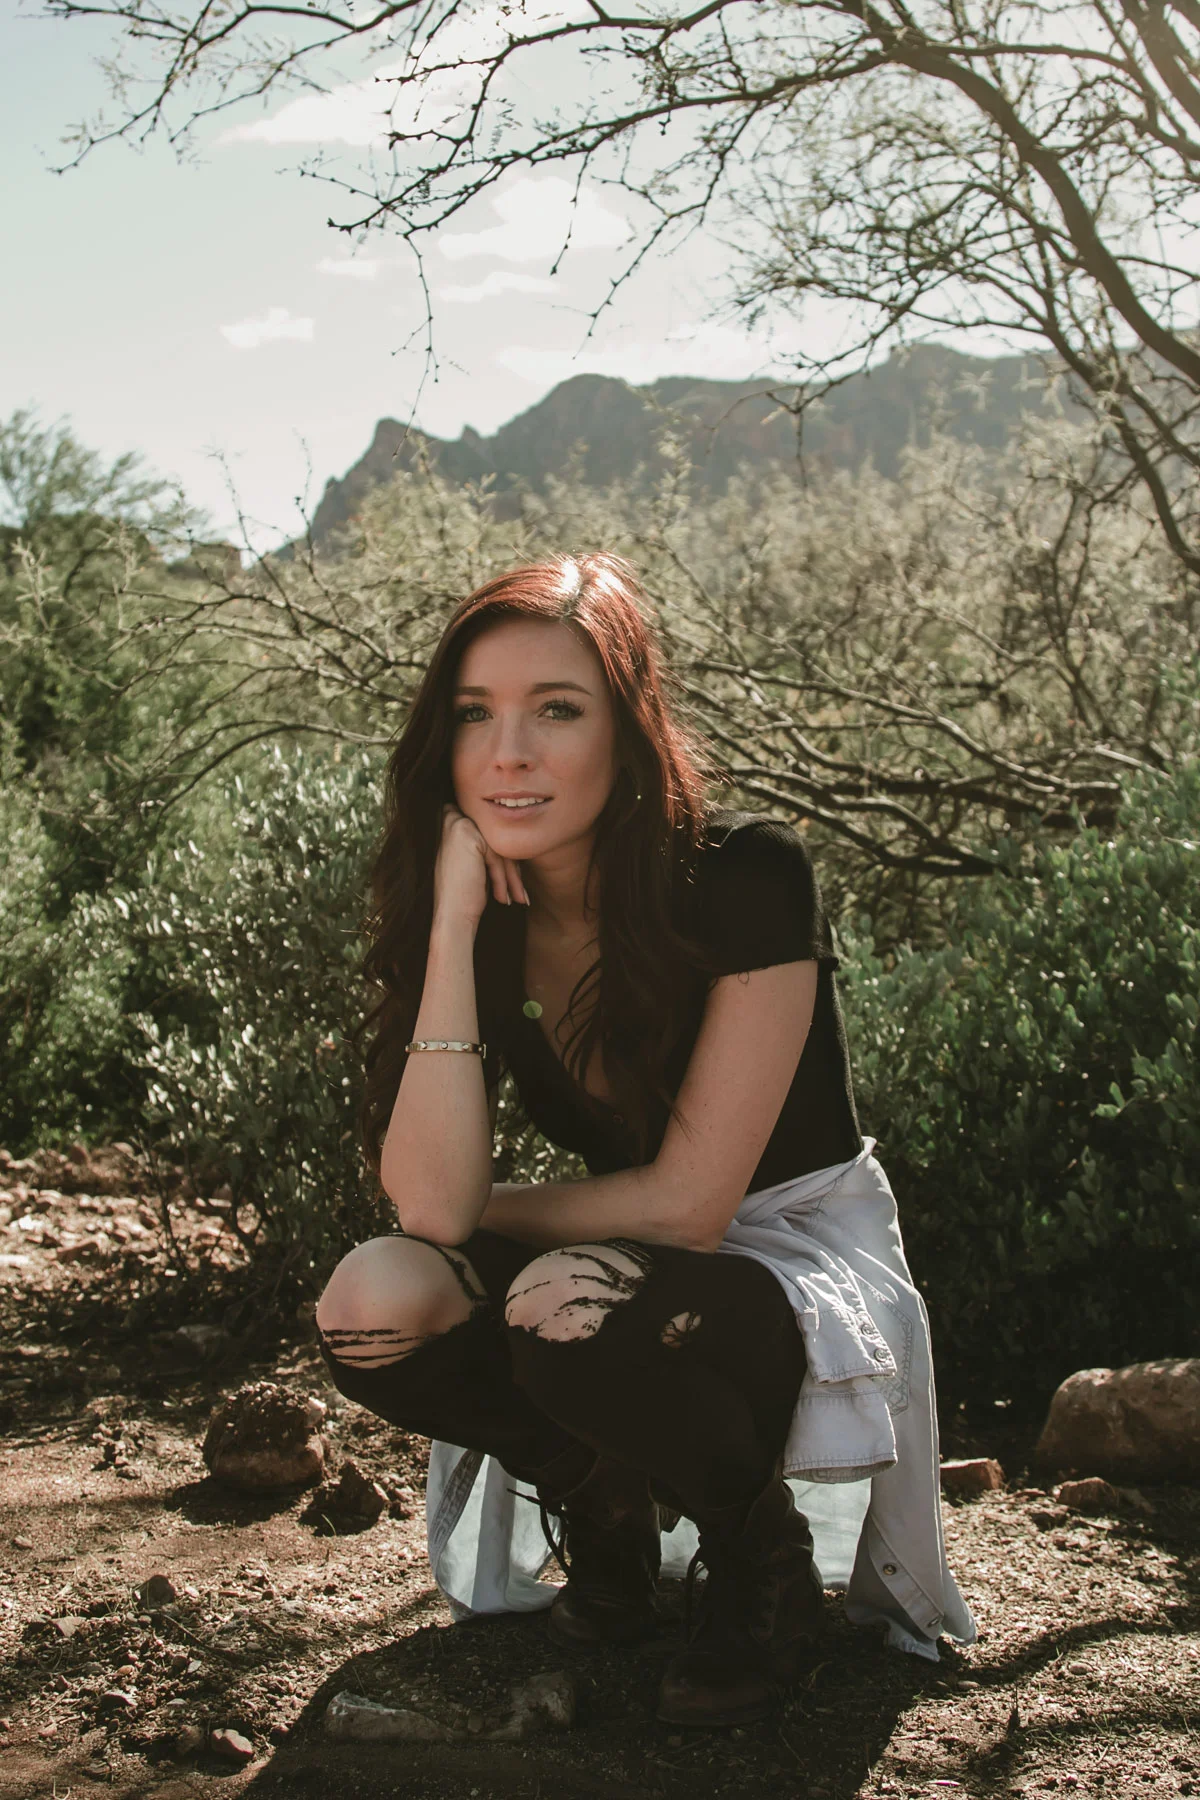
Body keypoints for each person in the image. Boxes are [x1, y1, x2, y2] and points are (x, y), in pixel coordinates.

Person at [315, 552, 974, 1729]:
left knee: (561, 1305)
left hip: (787, 1250)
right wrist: (455, 924)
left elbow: (689, 1206)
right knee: (375, 1299)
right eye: (474, 714)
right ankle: (603, 1504)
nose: (509, 753)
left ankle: (761, 1567)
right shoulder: (485, 911)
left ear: (628, 729)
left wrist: (483, 1212)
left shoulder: (746, 875)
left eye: (557, 710)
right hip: (627, 1247)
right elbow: (425, 1213)